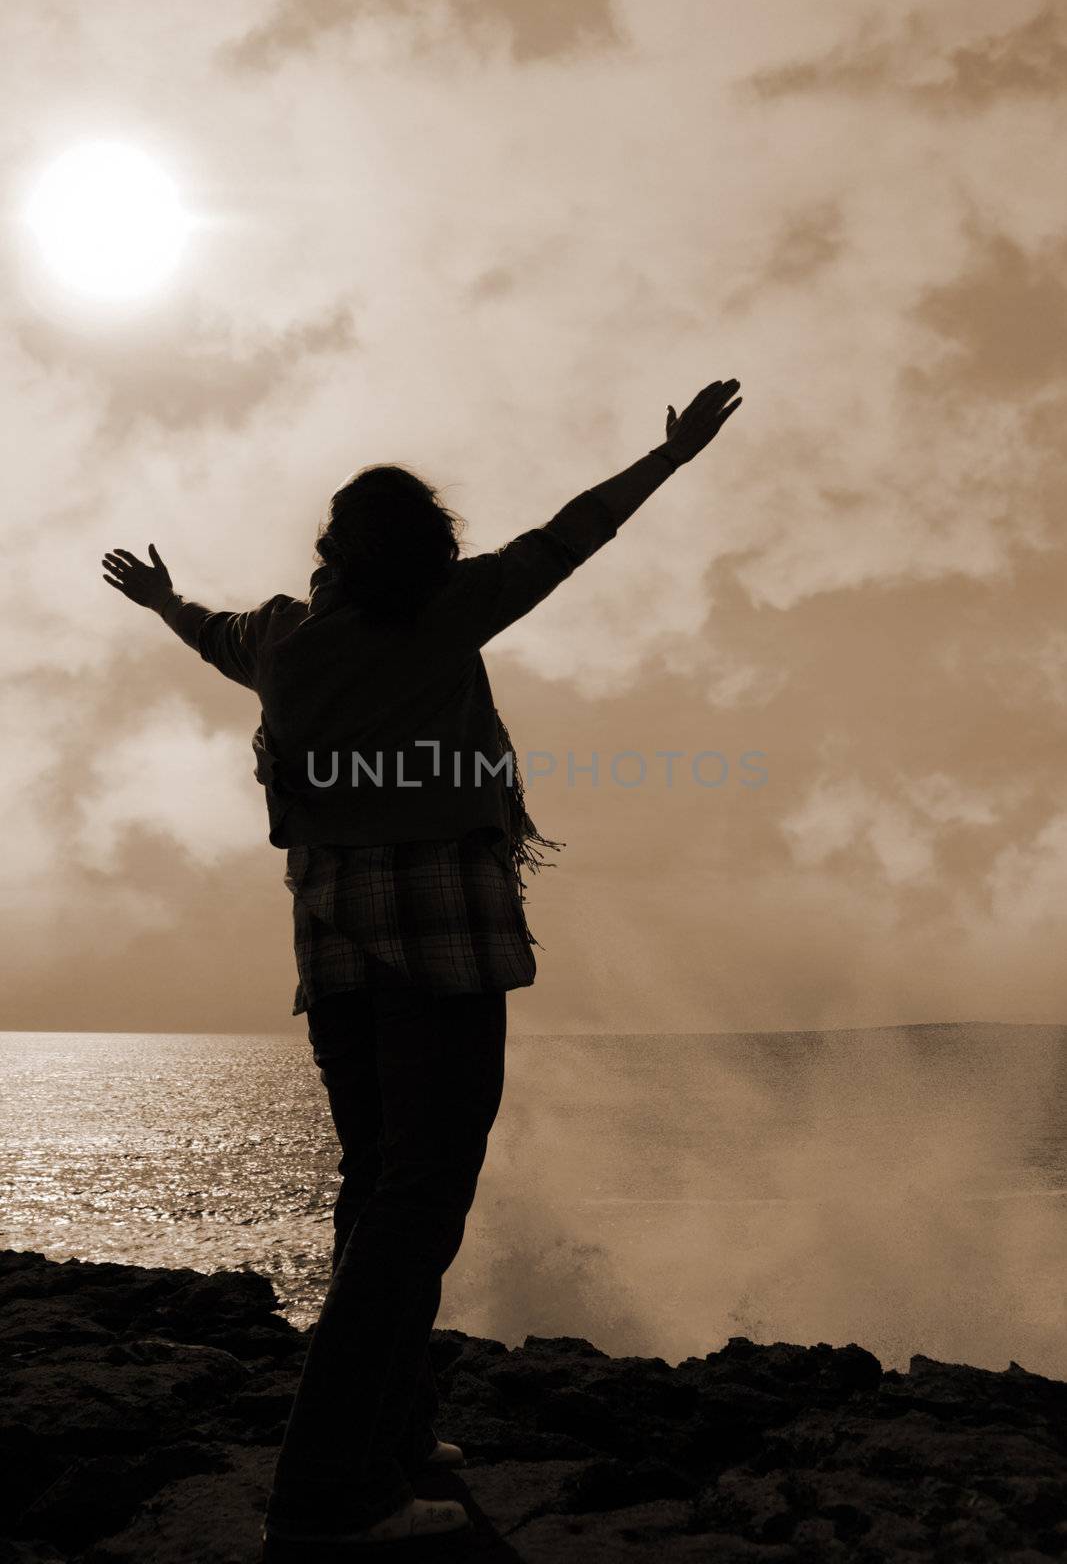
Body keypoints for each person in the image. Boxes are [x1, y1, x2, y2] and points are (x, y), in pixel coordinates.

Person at [100, 378, 742, 1554]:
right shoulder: (446, 614)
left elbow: (212, 636)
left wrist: (160, 598)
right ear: (429, 548)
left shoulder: (284, 639)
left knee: (375, 1185)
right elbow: (568, 536)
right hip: (443, 934)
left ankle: (392, 1432)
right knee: (417, 1204)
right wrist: (671, 458)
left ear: (333, 551)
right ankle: (325, 1489)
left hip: (334, 948)